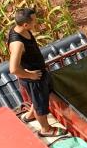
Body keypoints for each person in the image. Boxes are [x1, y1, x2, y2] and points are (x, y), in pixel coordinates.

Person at [8, 8, 64, 138]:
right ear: (25, 24)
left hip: (38, 74)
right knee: (40, 105)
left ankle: (29, 116)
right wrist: (30, 75)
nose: (36, 22)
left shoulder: (22, 29)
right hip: (34, 79)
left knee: (37, 99)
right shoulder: (18, 43)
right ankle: (45, 129)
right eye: (34, 21)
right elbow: (13, 69)